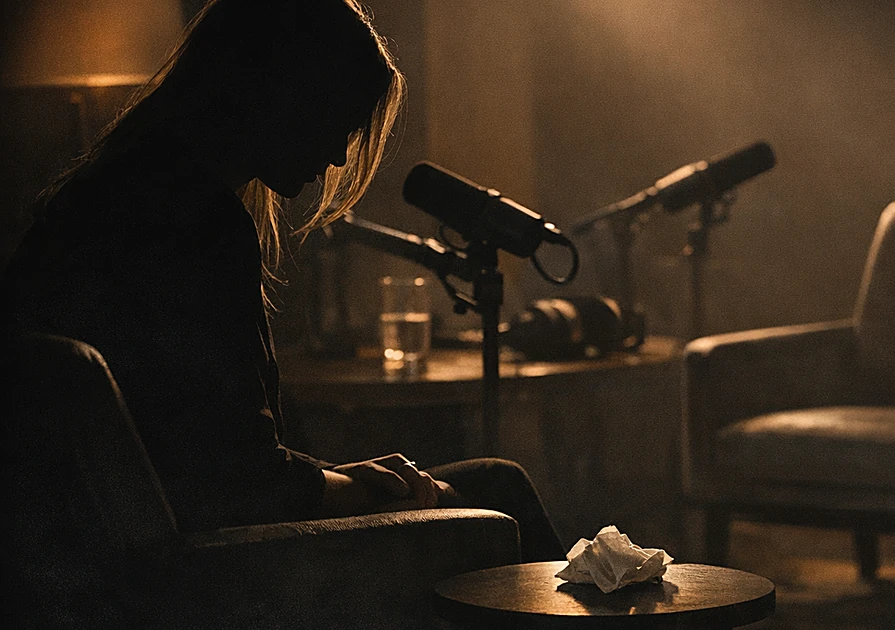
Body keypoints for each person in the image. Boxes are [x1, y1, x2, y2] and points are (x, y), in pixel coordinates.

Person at [1, 0, 563, 563]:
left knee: (490, 481)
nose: (340, 155)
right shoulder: (195, 222)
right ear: (281, 95)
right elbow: (240, 484)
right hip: (215, 568)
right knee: (498, 492)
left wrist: (340, 478)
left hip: (118, 555)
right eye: (337, 122)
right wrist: (366, 491)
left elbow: (204, 446)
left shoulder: (112, 194)